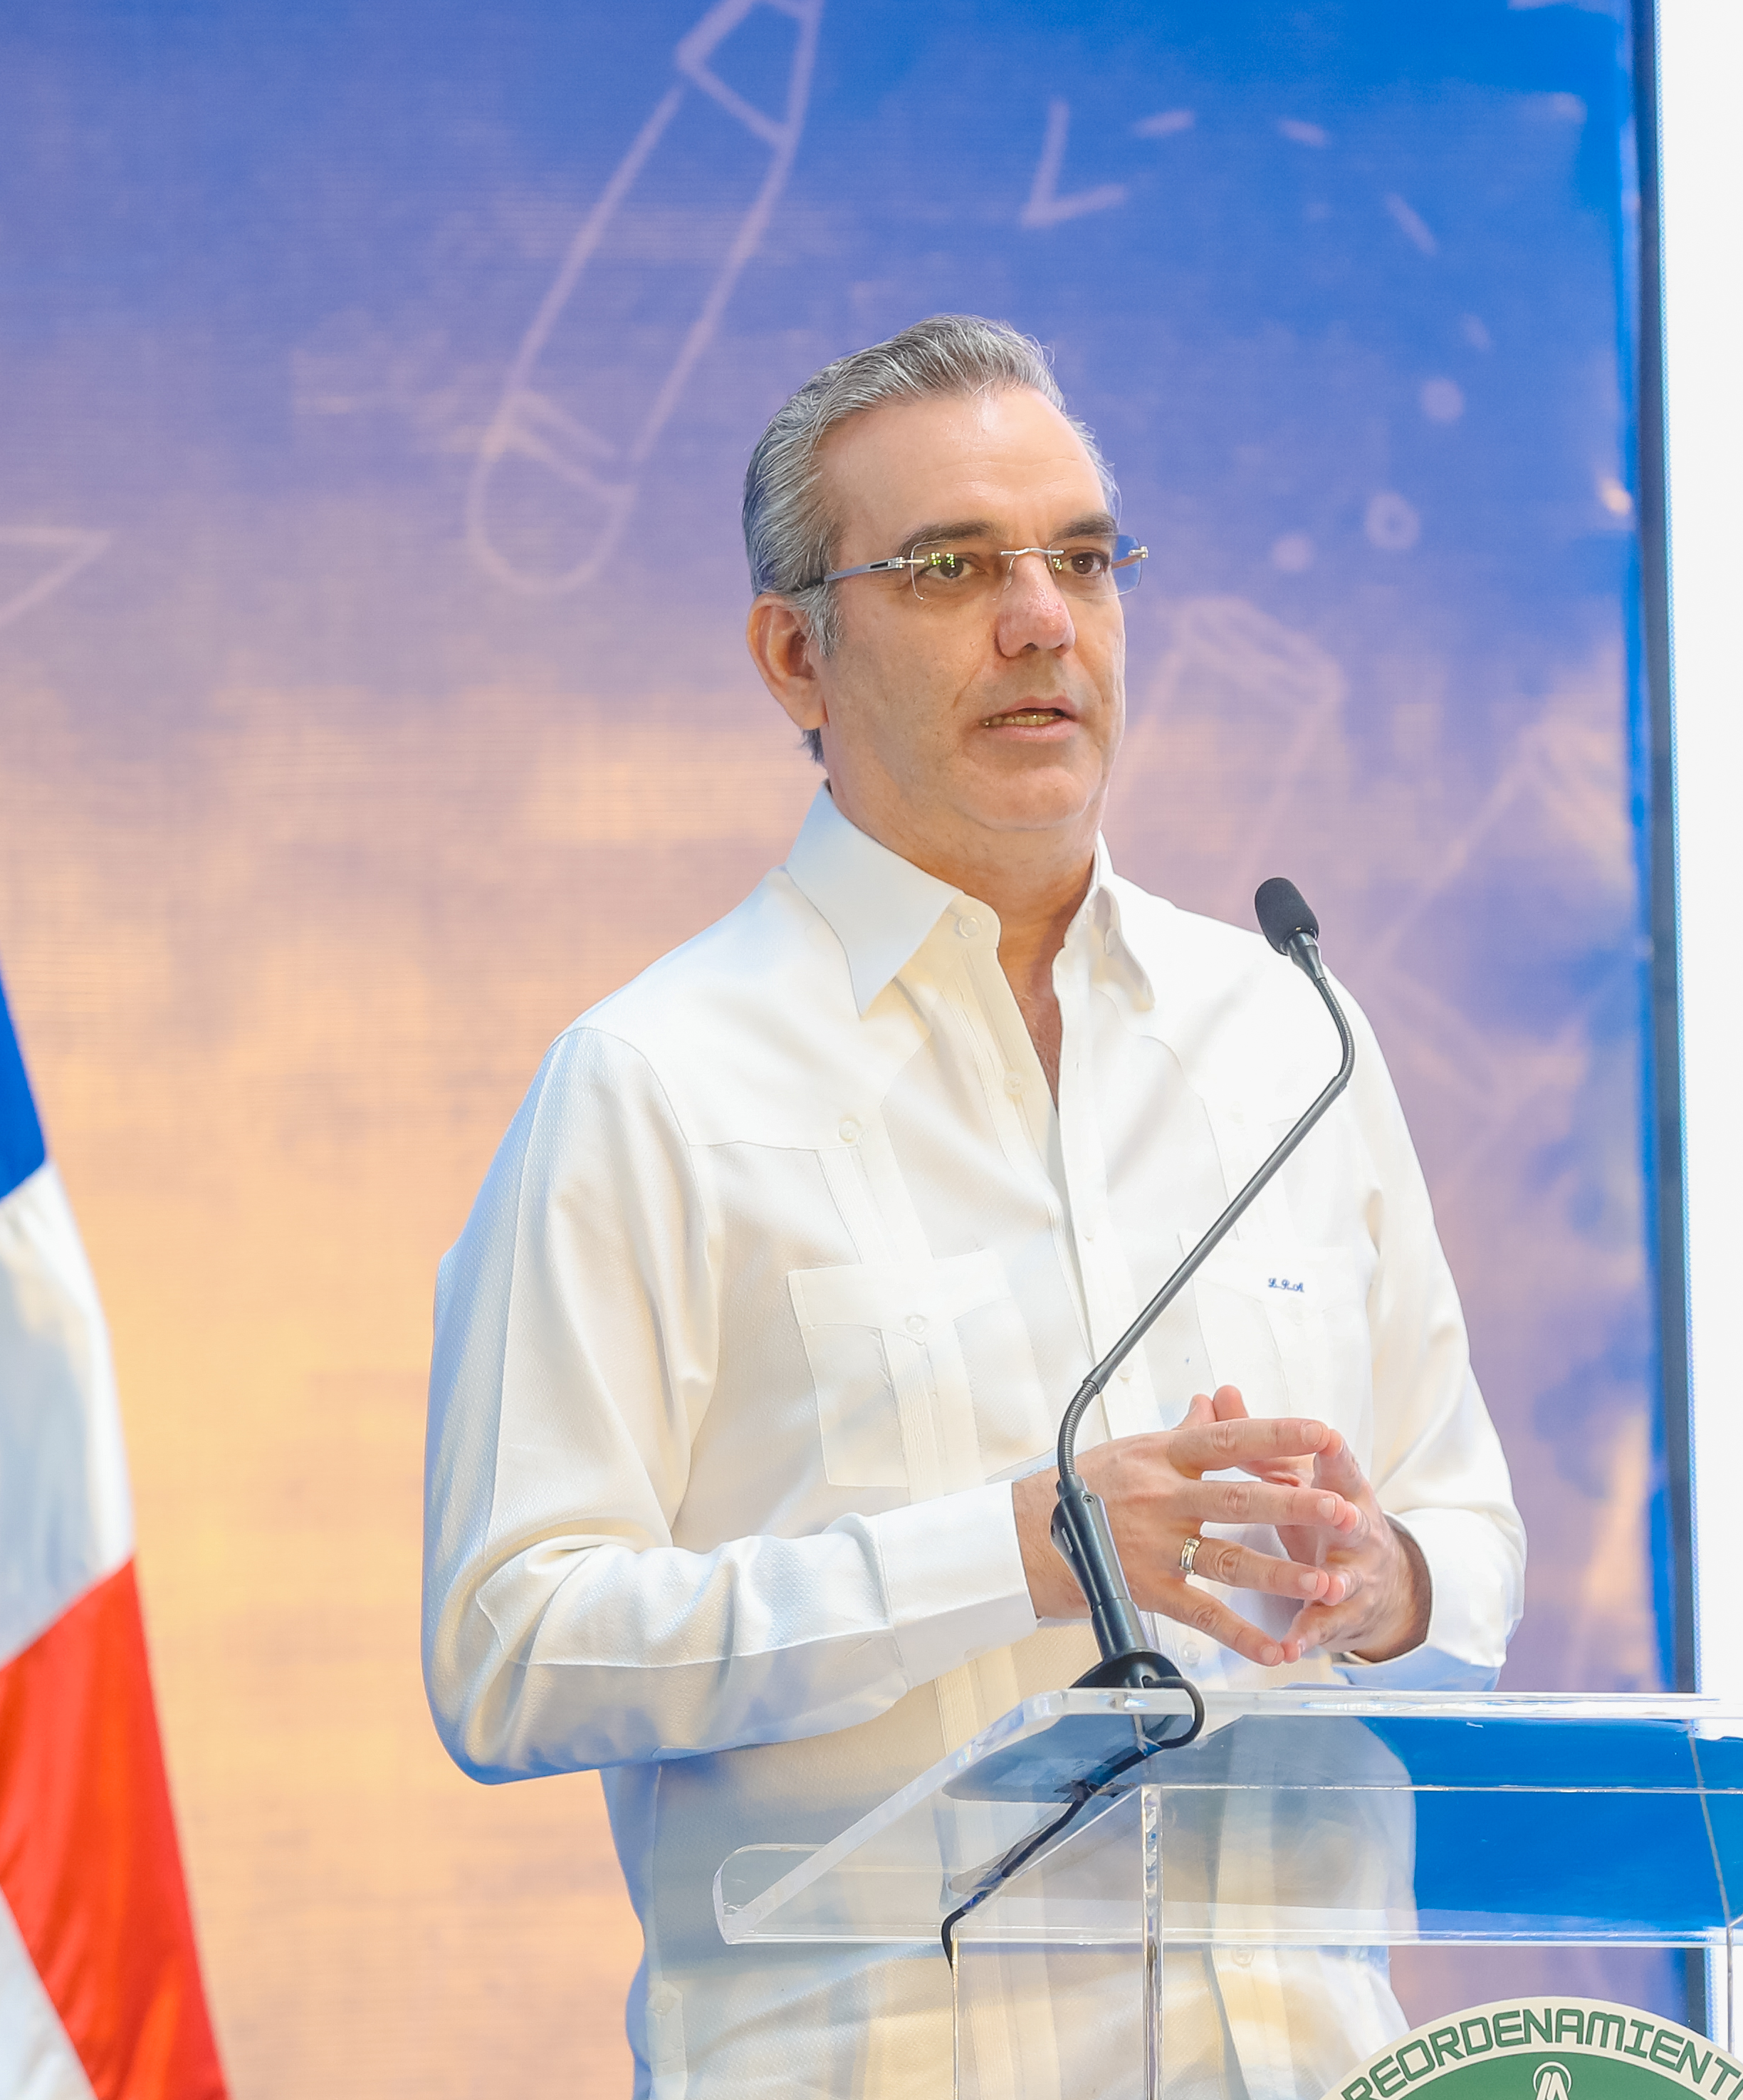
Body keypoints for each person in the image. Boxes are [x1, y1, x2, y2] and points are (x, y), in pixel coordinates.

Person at [422, 314, 1526, 2096]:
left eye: (1082, 559)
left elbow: (1468, 1534)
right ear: (796, 654)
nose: (1040, 620)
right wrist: (1018, 1548)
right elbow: (515, 1646)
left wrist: (1383, 1579)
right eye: (952, 566)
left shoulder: (1289, 1033)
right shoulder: (653, 1080)